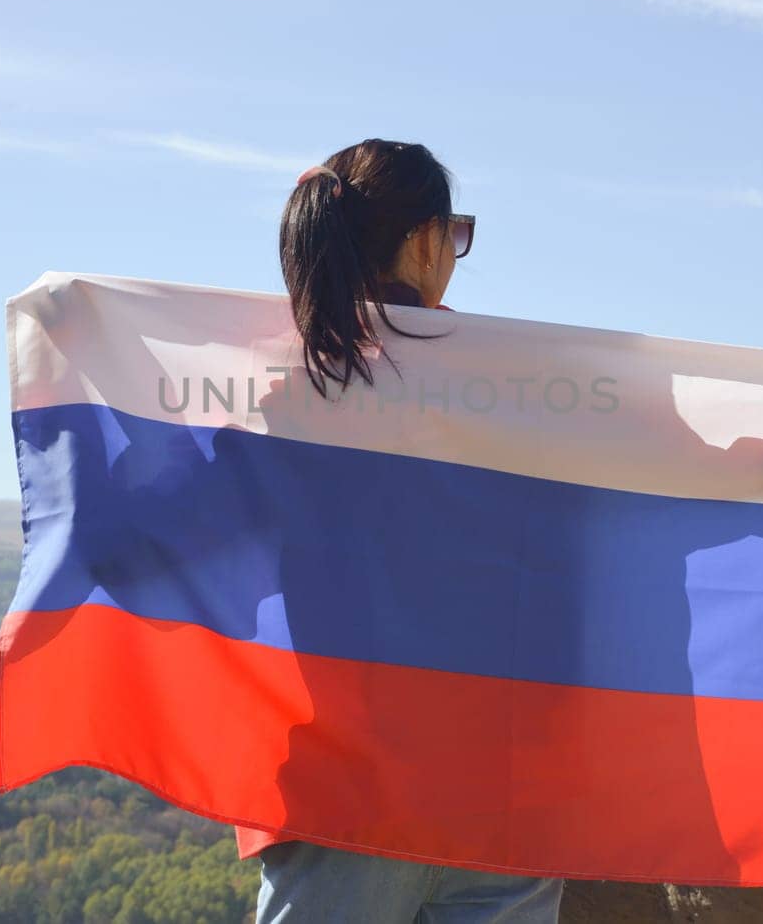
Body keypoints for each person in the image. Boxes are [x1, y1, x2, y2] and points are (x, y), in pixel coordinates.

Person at [239, 138, 564, 923]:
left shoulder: (267, 389)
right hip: (506, 795)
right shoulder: (531, 387)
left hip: (338, 793)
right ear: (424, 239)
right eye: (454, 236)